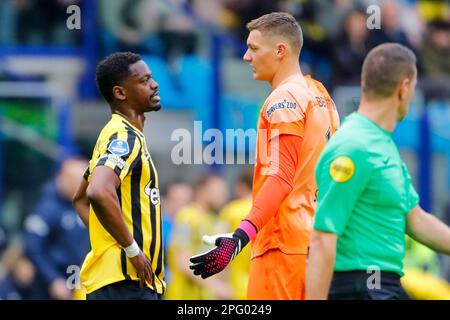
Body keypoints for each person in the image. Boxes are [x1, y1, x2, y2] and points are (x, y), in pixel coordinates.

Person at [189, 12, 340, 300]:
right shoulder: (322, 96)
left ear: (280, 50)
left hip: (282, 245)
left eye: (254, 48)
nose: (246, 56)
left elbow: (281, 177)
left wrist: (239, 237)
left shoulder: (283, 99)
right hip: (316, 244)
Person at [305, 43, 450, 300]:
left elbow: (415, 219)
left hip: (384, 286)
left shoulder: (382, 144)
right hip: (360, 287)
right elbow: (322, 238)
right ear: (404, 89)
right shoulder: (354, 146)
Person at [72, 52, 165, 300]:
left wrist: (108, 240)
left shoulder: (112, 134)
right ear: (120, 93)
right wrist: (130, 249)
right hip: (127, 284)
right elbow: (97, 192)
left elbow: (80, 199)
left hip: (121, 284)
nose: (154, 84)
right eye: (144, 81)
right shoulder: (124, 137)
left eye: (151, 78)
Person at [24, 157, 90, 300]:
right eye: (77, 180)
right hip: (50, 286)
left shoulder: (83, 203)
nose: (82, 185)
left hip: (78, 281)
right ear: (63, 178)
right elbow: (33, 246)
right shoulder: (46, 206)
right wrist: (53, 279)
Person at [166, 173, 231, 300]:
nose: (223, 195)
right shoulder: (186, 216)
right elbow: (182, 261)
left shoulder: (216, 220)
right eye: (218, 190)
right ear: (202, 190)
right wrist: (215, 286)